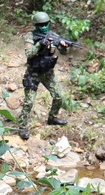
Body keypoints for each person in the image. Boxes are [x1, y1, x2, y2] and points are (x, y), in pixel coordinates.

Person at [18, 11, 72, 140]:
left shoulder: (53, 36)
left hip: (48, 72)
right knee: (29, 102)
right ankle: (22, 126)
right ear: (36, 25)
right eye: (40, 25)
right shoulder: (30, 36)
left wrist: (63, 46)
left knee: (59, 96)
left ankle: (52, 118)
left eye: (45, 24)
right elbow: (29, 53)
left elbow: (64, 52)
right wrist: (40, 44)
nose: (43, 27)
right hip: (34, 72)